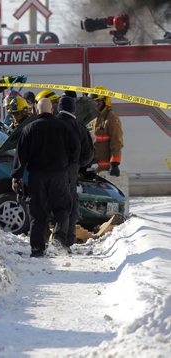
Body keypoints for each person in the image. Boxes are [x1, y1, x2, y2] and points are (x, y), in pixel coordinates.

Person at [11, 98, 79, 257]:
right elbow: (75, 151)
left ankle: (37, 247)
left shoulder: (29, 129)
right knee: (62, 208)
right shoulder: (64, 127)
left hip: (37, 176)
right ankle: (59, 239)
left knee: (37, 210)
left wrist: (16, 177)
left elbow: (20, 156)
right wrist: (69, 168)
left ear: (37, 111)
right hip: (59, 175)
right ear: (53, 111)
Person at [57, 95, 94, 247]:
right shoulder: (79, 128)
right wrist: (79, 165)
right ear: (73, 110)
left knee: (45, 204)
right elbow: (88, 155)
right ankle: (66, 240)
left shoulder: (50, 124)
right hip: (70, 171)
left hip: (47, 170)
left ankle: (44, 239)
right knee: (70, 205)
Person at [89, 86, 124, 176]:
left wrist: (115, 164)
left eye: (97, 102)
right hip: (94, 168)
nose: (95, 105)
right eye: (93, 102)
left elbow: (116, 143)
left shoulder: (112, 118)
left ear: (105, 101)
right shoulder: (94, 118)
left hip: (106, 171)